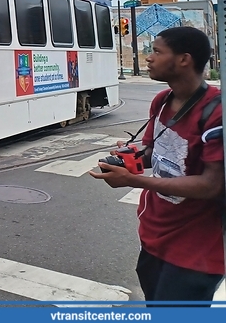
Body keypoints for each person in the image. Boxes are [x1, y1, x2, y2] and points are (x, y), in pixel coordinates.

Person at [90, 27, 224, 303]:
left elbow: (212, 185)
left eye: (157, 51)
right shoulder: (161, 101)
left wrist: (134, 180)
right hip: (154, 235)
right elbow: (155, 150)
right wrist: (130, 157)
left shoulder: (216, 112)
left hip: (196, 251)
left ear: (184, 59)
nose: (148, 58)